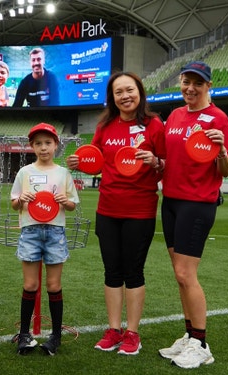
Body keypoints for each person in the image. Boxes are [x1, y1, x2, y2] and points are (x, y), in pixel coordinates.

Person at [67, 71, 165, 356]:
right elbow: (95, 161)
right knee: (112, 271)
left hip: (140, 208)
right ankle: (113, 329)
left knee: (133, 271)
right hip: (108, 208)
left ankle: (133, 333)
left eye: (129, 90)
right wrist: (79, 162)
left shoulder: (154, 125)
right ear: (112, 98)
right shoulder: (105, 126)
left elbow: (169, 164)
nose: (125, 96)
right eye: (119, 92)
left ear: (139, 92)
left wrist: (156, 161)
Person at [157, 61, 228, 368]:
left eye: (197, 83)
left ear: (208, 86)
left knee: (186, 274)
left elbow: (226, 170)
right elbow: (168, 159)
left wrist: (222, 153)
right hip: (172, 201)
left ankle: (201, 344)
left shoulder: (218, 118)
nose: (190, 88)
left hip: (197, 201)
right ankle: (189, 336)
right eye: (186, 82)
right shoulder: (175, 115)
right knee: (179, 276)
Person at [10, 123, 80, 356]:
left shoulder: (63, 173)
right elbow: (14, 203)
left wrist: (63, 200)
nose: (43, 148)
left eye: (47, 143)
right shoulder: (25, 172)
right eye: (38, 143)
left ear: (56, 145)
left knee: (53, 285)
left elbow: (71, 205)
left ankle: (56, 336)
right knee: (30, 284)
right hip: (30, 231)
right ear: (32, 146)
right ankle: (24, 334)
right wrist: (22, 198)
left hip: (55, 232)